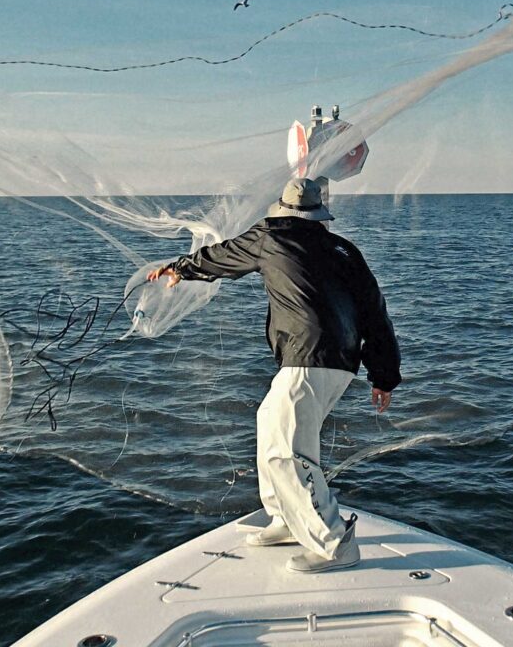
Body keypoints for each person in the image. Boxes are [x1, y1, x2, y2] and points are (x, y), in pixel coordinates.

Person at [148, 177, 401, 573]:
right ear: (319, 214)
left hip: (308, 357)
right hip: (340, 361)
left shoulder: (273, 236)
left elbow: (224, 256)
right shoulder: (345, 250)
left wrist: (181, 268)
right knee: (271, 424)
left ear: (282, 209)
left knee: (287, 450)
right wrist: (383, 374)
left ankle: (333, 542)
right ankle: (286, 519)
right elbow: (375, 312)